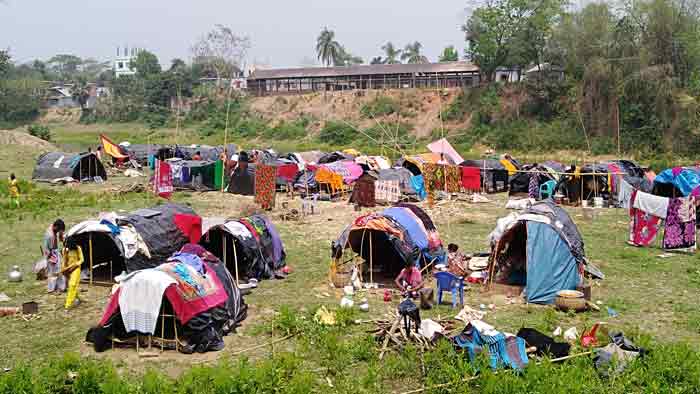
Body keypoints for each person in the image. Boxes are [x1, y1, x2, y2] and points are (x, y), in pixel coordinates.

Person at [43, 219, 66, 293]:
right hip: (51, 253)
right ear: (56, 227)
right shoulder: (49, 235)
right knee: (53, 272)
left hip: (55, 251)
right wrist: (51, 258)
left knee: (59, 270)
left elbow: (60, 238)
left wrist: (61, 234)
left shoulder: (53, 227)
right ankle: (51, 289)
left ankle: (61, 287)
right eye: (59, 230)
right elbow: (46, 248)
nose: (59, 232)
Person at [61, 238, 84, 309]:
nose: (67, 247)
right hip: (68, 270)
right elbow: (64, 260)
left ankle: (68, 304)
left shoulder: (78, 248)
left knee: (72, 284)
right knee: (72, 286)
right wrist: (64, 269)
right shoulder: (65, 250)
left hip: (76, 269)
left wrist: (75, 264)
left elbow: (82, 259)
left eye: (68, 246)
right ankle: (78, 299)